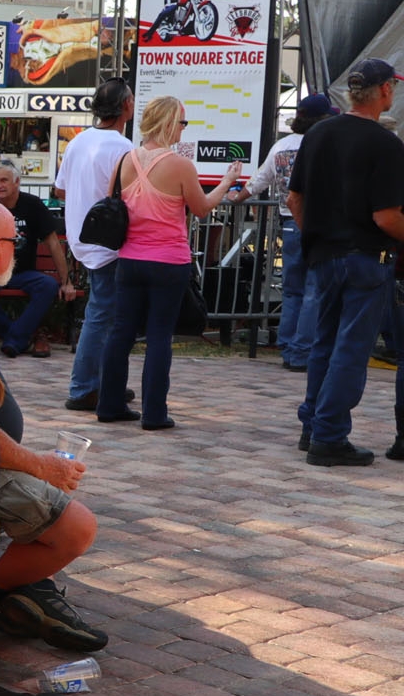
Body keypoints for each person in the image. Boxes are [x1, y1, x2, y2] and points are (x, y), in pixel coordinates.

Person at [0, 201, 108, 651]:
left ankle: (15, 586)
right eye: (13, 245)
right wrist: (40, 465)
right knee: (77, 529)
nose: (16, 253)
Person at [97, 97, 243, 430]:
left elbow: (110, 201)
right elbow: (202, 208)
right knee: (160, 335)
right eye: (182, 123)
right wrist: (225, 182)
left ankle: (109, 404)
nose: (183, 129)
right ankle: (154, 413)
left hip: (129, 258)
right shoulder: (179, 165)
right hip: (168, 260)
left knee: (121, 332)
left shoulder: (124, 160)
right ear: (167, 124)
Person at [288, 57, 404, 465]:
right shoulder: (386, 145)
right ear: (385, 91)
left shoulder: (318, 134)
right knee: (350, 350)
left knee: (324, 343)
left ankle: (313, 426)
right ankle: (330, 435)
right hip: (365, 259)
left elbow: (293, 198)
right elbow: (386, 216)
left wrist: (314, 236)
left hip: (323, 255)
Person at [56, 79, 135, 411]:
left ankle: (100, 381)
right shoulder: (123, 147)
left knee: (103, 313)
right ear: (126, 107)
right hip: (109, 241)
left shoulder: (78, 142)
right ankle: (85, 386)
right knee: (103, 314)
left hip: (82, 237)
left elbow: (60, 189)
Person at [251, 95, 335, 374]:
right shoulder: (326, 143)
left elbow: (259, 180)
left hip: (289, 225)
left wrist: (237, 195)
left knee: (292, 291)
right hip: (319, 223)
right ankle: (302, 351)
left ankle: (287, 347)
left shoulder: (281, 146)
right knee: (314, 291)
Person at [0, 160, 74, 359]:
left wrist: (66, 282)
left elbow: (53, 243)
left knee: (48, 285)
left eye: (4, 180)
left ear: (17, 182)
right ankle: (16, 338)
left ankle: (15, 338)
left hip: (23, 274)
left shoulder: (32, 204)